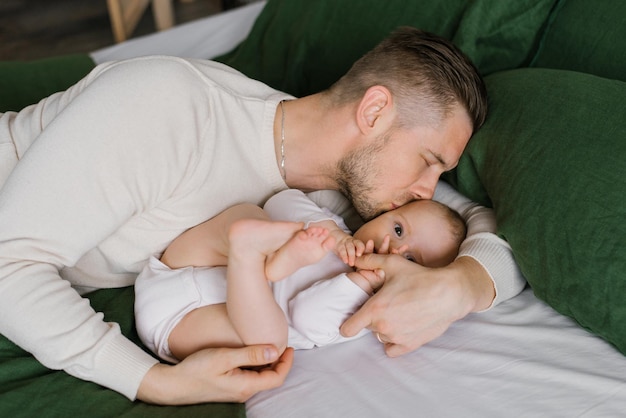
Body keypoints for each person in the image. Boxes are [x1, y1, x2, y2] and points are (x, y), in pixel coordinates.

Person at [0, 27, 525, 404]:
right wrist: (153, 382)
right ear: (373, 112)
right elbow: (7, 267)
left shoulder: (343, 192)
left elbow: (482, 220)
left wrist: (460, 286)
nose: (426, 191)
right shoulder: (169, 108)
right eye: (429, 163)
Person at [134, 188, 467, 363]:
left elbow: (307, 317)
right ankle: (261, 262)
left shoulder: (366, 308)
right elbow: (283, 199)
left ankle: (257, 263)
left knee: (270, 342)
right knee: (251, 214)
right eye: (397, 229)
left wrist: (365, 280)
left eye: (410, 258)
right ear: (388, 212)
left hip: (182, 322)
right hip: (179, 268)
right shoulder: (334, 228)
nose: (393, 247)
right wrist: (329, 234)